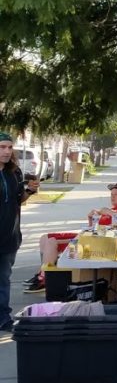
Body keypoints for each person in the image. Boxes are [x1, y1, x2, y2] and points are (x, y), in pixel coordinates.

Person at [24, 182, 117, 293]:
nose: (112, 197)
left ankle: (45, 279)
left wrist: (110, 212)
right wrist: (91, 219)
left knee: (51, 242)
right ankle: (41, 273)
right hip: (90, 237)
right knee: (44, 237)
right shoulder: (112, 210)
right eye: (111, 195)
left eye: (116, 195)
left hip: (95, 245)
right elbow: (95, 229)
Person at [1, 131, 39, 332]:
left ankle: (3, 319)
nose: (7, 151)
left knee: (3, 280)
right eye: (2, 147)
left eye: (9, 147)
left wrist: (30, 191)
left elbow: (18, 200)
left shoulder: (14, 172)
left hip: (9, 237)